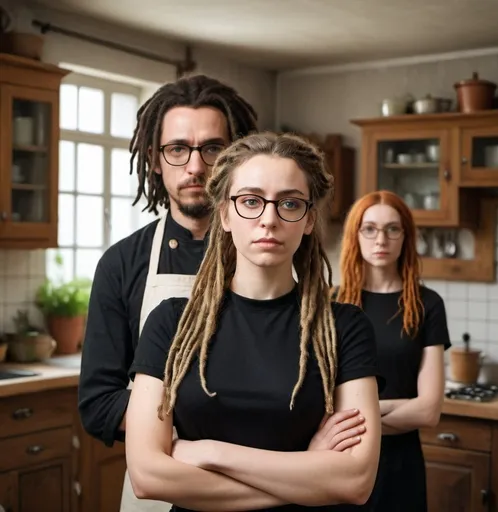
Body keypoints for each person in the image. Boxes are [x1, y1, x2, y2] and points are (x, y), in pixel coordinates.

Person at [125, 132, 382, 512]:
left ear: (309, 219)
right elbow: (147, 476)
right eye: (250, 201)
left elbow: (356, 481)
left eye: (290, 204)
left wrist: (211, 453)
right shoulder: (171, 323)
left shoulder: (345, 328)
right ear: (225, 214)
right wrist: (309, 471)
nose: (269, 219)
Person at [78, 74, 259, 512]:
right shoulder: (122, 264)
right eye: (177, 149)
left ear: (237, 157)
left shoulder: (273, 255)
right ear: (156, 160)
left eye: (212, 148)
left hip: (263, 476)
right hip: (159, 487)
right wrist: (200, 433)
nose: (195, 167)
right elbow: (99, 401)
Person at [333, 190, 451, 512]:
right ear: (355, 236)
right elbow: (320, 406)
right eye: (369, 229)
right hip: (339, 463)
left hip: (400, 465)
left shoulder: (428, 305)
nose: (380, 239)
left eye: (392, 229)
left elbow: (429, 410)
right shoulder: (333, 304)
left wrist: (357, 418)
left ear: (405, 237)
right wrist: (401, 407)